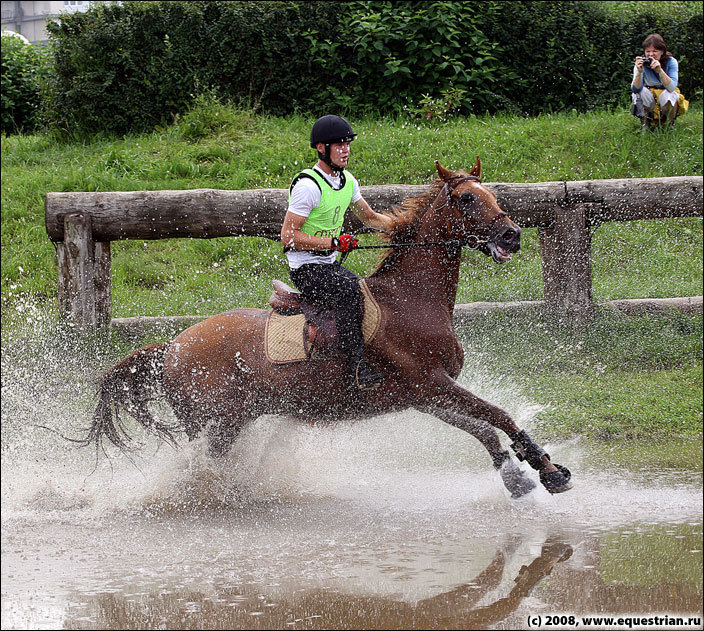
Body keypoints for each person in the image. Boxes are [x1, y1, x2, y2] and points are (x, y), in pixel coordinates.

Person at [280, 115, 394, 390]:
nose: (345, 149)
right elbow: (288, 237)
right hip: (305, 269)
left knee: (368, 291)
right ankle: (355, 370)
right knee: (349, 292)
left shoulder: (348, 181)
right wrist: (333, 243)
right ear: (322, 148)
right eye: (339, 145)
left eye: (347, 144)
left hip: (330, 264)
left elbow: (369, 217)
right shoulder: (309, 186)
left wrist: (404, 228)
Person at [631, 33, 689, 131]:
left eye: (655, 51)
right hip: (650, 95)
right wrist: (639, 72)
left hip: (665, 93)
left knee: (670, 94)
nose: (651, 54)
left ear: (662, 51)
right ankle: (645, 124)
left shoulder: (671, 62)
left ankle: (670, 124)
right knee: (639, 94)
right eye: (647, 51)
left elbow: (672, 87)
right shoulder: (641, 63)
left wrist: (660, 70)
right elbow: (636, 89)